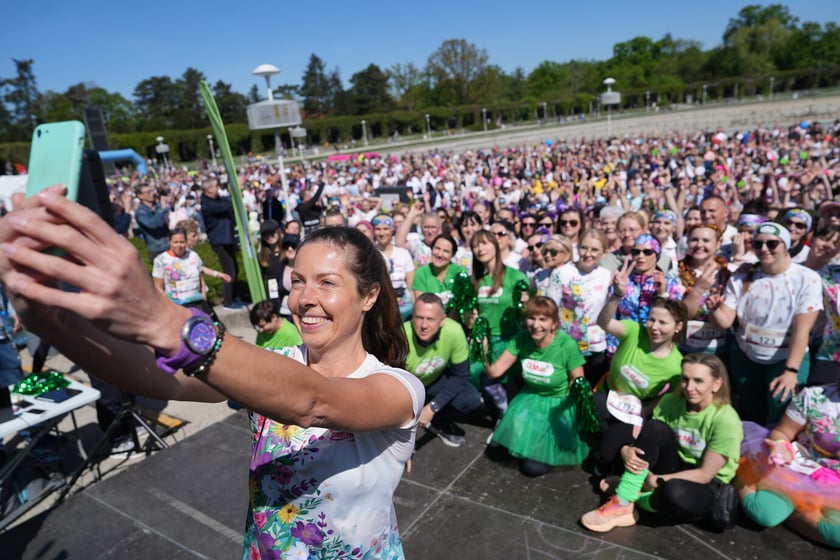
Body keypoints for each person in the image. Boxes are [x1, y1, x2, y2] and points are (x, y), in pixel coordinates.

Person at [0, 190, 424, 559]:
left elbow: (318, 403)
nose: (305, 298)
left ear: (369, 295)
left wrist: (167, 321)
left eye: (327, 282)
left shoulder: (400, 388)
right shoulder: (277, 362)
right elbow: (151, 376)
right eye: (297, 281)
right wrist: (49, 319)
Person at [581, 354, 743, 533]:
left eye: (698, 381)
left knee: (673, 492)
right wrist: (626, 450)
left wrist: (657, 480)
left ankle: (637, 494)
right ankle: (623, 502)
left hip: (703, 485)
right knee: (655, 427)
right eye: (685, 379)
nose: (690, 387)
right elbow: (649, 439)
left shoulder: (726, 420)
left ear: (716, 384)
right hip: (672, 467)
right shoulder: (671, 401)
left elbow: (705, 474)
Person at [707, 222, 822, 425]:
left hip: (786, 358)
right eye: (758, 244)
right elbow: (725, 322)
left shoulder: (807, 278)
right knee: (753, 414)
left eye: (772, 243)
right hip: (746, 355)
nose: (764, 249)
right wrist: (715, 309)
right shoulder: (742, 275)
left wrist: (791, 371)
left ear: (785, 245)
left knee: (781, 412)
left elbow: (801, 330)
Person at [485, 297, 589, 476]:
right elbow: (494, 372)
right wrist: (484, 351)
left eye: (543, 319)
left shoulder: (566, 345)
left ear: (554, 323)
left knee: (532, 468)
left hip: (559, 404)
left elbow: (579, 383)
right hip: (531, 399)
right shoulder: (522, 339)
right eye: (531, 318)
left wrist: (567, 416)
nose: (535, 325)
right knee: (516, 448)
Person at [736, 380, 840, 549]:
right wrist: (781, 446)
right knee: (763, 513)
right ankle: (738, 474)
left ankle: (794, 506)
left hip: (836, 484)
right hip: (801, 466)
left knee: (837, 536)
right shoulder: (814, 396)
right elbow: (783, 432)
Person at [594, 295, 687, 474]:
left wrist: (643, 415)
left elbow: (667, 399)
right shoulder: (635, 331)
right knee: (595, 409)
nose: (655, 327)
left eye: (663, 322)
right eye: (651, 319)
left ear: (678, 327)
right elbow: (603, 322)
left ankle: (610, 450)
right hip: (607, 394)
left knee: (607, 454)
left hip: (633, 412)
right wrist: (616, 296)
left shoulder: (676, 365)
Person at [403, 293, 480, 447]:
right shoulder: (401, 336)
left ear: (442, 320)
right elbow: (390, 386)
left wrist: (433, 408)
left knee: (471, 399)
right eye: (419, 318)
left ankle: (440, 420)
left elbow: (461, 375)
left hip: (434, 380)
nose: (424, 325)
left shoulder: (454, 331)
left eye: (430, 319)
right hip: (405, 388)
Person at [468, 229, 530, 418]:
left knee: (512, 390)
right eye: (475, 245)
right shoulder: (476, 281)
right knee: (486, 385)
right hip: (485, 341)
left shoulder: (515, 277)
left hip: (510, 341)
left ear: (495, 245)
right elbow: (472, 319)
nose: (480, 248)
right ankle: (502, 422)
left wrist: (526, 305)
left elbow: (526, 314)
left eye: (484, 243)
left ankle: (510, 426)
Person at [546, 229, 611, 386]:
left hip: (595, 345)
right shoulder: (561, 273)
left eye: (594, 249)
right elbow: (549, 310)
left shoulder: (606, 275)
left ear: (604, 252)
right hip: (566, 344)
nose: (588, 253)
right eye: (584, 248)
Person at [679, 224, 732, 356]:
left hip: (719, 349)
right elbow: (681, 315)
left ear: (718, 244)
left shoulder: (728, 273)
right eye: (694, 240)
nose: (699, 244)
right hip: (685, 347)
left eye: (706, 240)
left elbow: (728, 318)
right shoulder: (676, 271)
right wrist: (698, 289)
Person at [200, 178, 240, 310]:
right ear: (208, 189)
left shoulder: (217, 200)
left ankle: (235, 296)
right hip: (219, 240)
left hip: (227, 238)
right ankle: (228, 301)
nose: (218, 188)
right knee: (229, 271)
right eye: (215, 186)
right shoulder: (208, 204)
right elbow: (228, 205)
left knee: (235, 268)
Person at [152, 228, 212, 316]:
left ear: (186, 242)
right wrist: (169, 306)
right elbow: (158, 287)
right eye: (175, 242)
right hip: (176, 306)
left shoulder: (194, 256)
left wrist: (204, 300)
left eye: (182, 242)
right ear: (169, 242)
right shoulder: (160, 260)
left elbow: (201, 282)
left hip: (198, 303)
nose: (179, 245)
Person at [373, 214, 415, 320]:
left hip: (404, 305)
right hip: (380, 303)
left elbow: (411, 285)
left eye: (386, 229)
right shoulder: (370, 254)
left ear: (392, 230)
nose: (382, 233)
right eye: (378, 229)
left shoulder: (403, 253)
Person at [410, 234, 466, 308]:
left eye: (446, 251)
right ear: (432, 249)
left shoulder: (459, 273)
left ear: (453, 255)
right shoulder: (421, 273)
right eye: (437, 248)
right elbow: (422, 306)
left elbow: (460, 305)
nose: (440, 254)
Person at [134, 182, 169, 261]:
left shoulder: (158, 206)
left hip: (169, 244)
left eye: (152, 191)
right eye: (148, 192)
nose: (152, 194)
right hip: (157, 249)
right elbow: (152, 224)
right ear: (140, 196)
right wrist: (161, 211)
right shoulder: (140, 212)